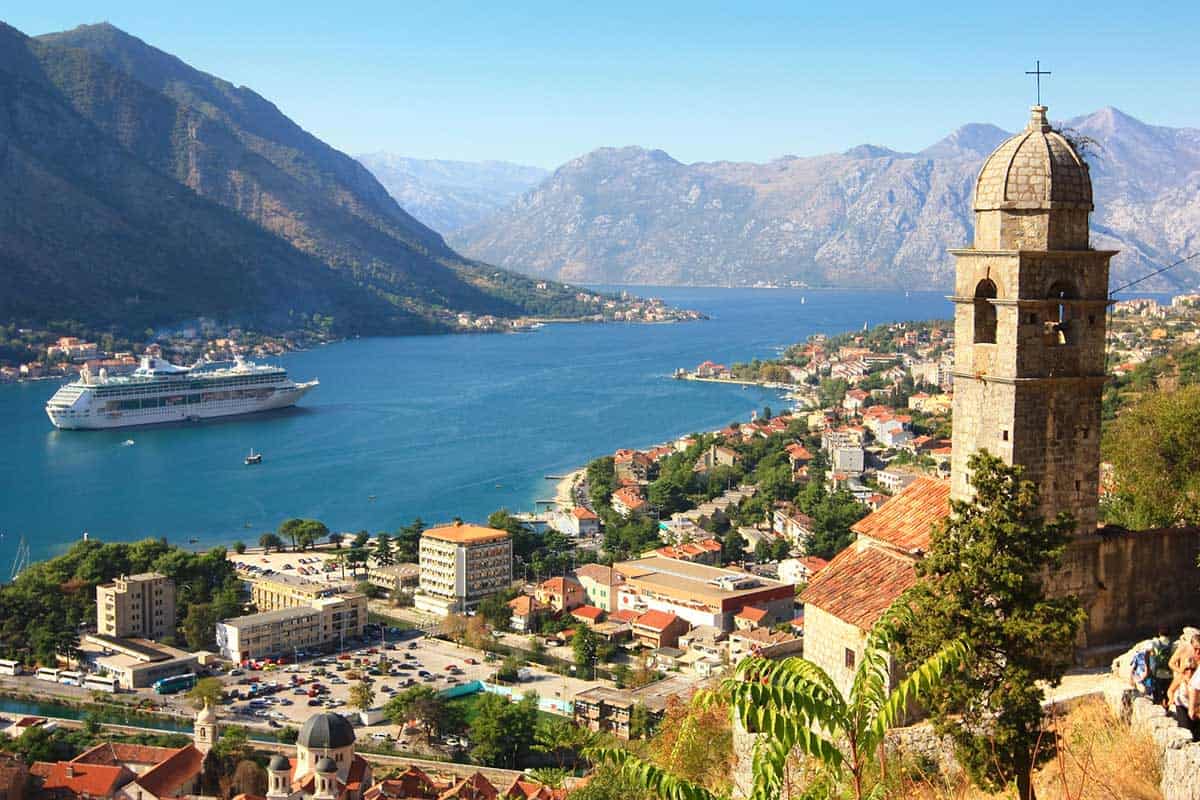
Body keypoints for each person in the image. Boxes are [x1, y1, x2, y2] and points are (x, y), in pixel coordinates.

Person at [1173, 665, 1198, 740]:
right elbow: (1170, 690)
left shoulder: (1197, 679)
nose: (1189, 671)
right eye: (1187, 669)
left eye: (1192, 669)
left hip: (1195, 707)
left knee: (1196, 732)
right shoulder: (1180, 678)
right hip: (1182, 705)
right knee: (1185, 730)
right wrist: (1171, 700)